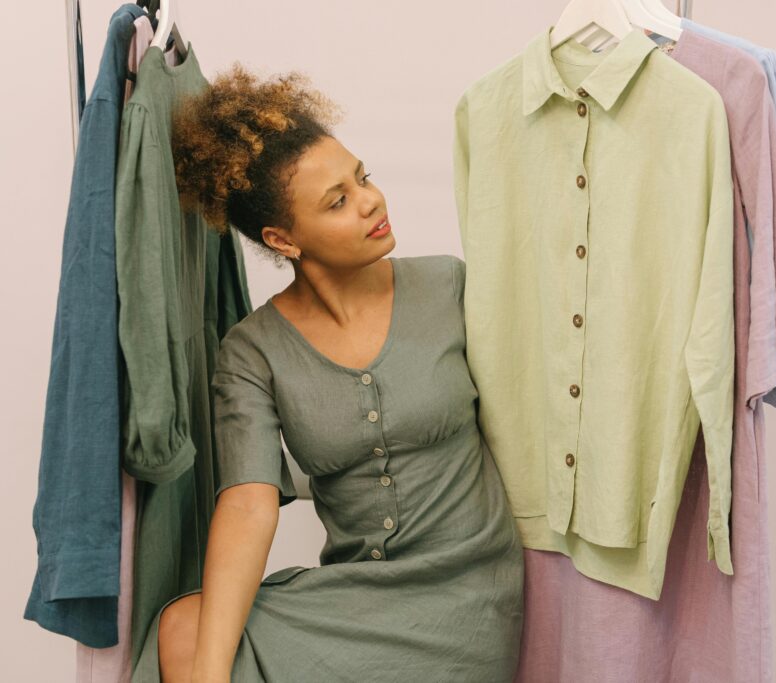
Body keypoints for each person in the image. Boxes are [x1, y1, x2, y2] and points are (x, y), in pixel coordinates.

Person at [133, 64, 524, 683]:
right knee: (183, 633)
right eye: (337, 201)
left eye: (362, 177)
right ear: (282, 239)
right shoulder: (251, 352)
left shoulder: (450, 285)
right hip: (352, 596)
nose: (370, 201)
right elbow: (247, 505)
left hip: (468, 595)